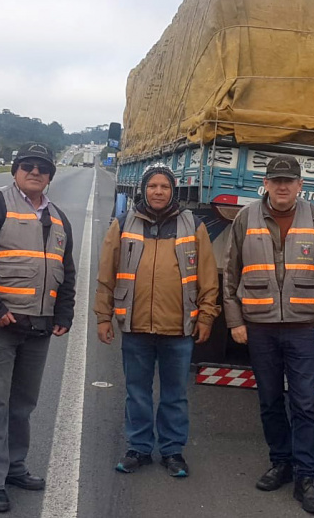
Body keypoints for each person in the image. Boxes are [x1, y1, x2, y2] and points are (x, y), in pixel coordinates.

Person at [0, 143, 76, 513]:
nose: (35, 172)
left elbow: (66, 272)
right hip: (0, 325)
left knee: (23, 404)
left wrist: (64, 315)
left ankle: (15, 467)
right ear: (15, 171)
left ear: (50, 175)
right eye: (27, 166)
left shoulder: (58, 218)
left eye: (42, 168)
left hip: (39, 326)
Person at [222, 155, 314, 515]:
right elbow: (230, 275)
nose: (283, 186)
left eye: (289, 181)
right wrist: (235, 322)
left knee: (303, 404)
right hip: (260, 329)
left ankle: (307, 477)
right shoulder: (246, 218)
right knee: (270, 401)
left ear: (300, 185)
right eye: (276, 180)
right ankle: (281, 463)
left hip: (305, 330)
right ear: (267, 184)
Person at [94, 163, 220, 478]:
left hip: (178, 329)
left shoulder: (193, 226)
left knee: (174, 394)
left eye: (164, 186)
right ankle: (138, 448)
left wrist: (206, 316)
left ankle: (172, 451)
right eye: (153, 186)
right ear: (144, 190)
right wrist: (103, 317)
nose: (158, 191)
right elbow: (106, 274)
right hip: (135, 327)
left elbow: (207, 276)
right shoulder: (123, 224)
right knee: (137, 392)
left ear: (173, 191)